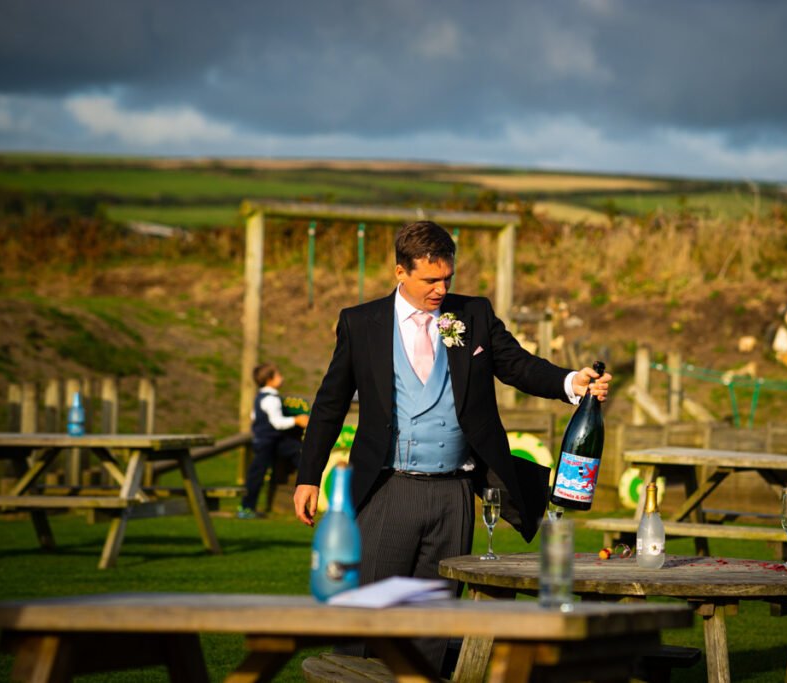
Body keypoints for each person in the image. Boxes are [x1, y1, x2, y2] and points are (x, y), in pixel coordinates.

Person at [294, 220, 610, 672]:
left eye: (448, 278)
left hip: (456, 494)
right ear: (399, 272)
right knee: (365, 616)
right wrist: (308, 477)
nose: (441, 289)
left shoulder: (474, 315)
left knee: (434, 622)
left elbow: (518, 366)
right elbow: (329, 405)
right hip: (388, 490)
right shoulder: (360, 323)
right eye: (430, 279)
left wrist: (570, 382)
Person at [238, 363, 310, 519]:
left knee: (296, 452)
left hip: (266, 441)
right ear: (269, 379)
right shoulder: (272, 399)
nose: (281, 378)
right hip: (268, 442)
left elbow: (254, 417)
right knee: (257, 475)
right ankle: (246, 508)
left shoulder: (260, 397)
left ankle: (247, 506)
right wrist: (297, 420)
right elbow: (277, 422)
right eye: (278, 375)